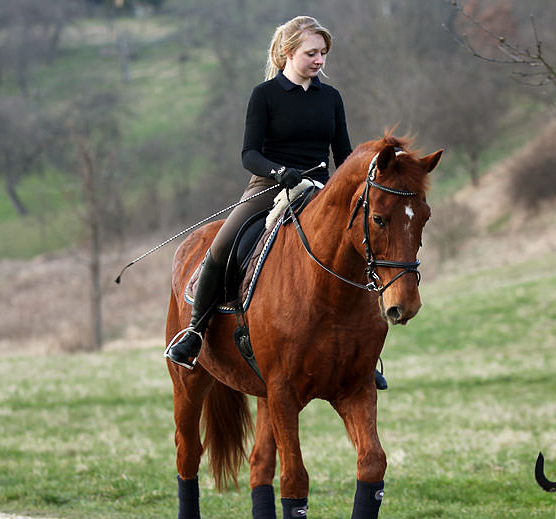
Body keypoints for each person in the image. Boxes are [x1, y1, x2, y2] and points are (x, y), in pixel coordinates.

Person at [166, 16, 389, 390]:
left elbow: (345, 155)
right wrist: (281, 171)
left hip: (319, 191)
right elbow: (249, 154)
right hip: (268, 187)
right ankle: (195, 332)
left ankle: (365, 353)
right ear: (288, 53)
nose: (320, 60)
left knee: (360, 248)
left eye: (323, 54)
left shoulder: (330, 98)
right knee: (221, 247)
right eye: (312, 53)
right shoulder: (264, 95)